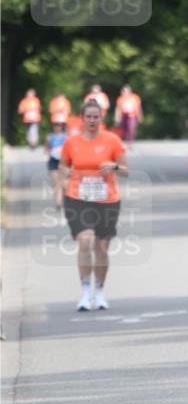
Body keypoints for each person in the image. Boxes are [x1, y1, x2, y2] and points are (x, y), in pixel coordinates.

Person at [59, 99, 128, 311]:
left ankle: (99, 291)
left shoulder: (112, 141)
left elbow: (126, 170)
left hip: (107, 199)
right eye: (88, 116)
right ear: (82, 118)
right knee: (85, 240)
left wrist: (114, 166)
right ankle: (84, 291)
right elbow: (62, 166)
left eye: (95, 116)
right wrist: (66, 173)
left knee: (101, 247)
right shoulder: (72, 142)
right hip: (77, 197)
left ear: (101, 118)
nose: (91, 120)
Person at [43, 119, 67, 207]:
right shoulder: (50, 137)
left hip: (63, 161)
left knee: (63, 182)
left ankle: (64, 197)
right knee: (56, 181)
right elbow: (46, 149)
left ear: (62, 127)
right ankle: (58, 201)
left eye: (59, 125)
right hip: (53, 161)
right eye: (55, 125)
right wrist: (51, 152)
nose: (57, 127)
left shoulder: (66, 137)